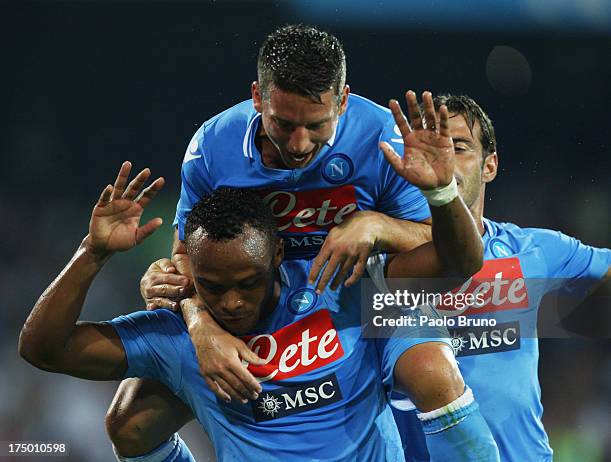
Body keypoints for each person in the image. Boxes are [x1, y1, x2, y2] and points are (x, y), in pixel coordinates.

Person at [106, 24, 485, 458]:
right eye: (283, 124)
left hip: (360, 291)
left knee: (433, 370)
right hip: (258, 303)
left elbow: (441, 247)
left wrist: (378, 225)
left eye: (317, 125)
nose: (300, 144)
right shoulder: (213, 147)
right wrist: (199, 323)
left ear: (342, 102)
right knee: (129, 424)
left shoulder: (383, 136)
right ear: (257, 98)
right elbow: (188, 254)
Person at [19, 158, 499, 460]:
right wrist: (92, 253)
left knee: (434, 364)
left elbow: (459, 263)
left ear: (276, 258)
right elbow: (44, 349)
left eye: (248, 284)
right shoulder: (175, 336)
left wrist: (441, 196)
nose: (231, 301)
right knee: (127, 421)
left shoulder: (338, 284)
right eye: (212, 286)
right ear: (190, 274)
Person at [391, 94, 611, 462]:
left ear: (489, 166)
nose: (443, 159)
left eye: (458, 147)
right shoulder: (382, 264)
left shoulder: (534, 250)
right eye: (431, 146)